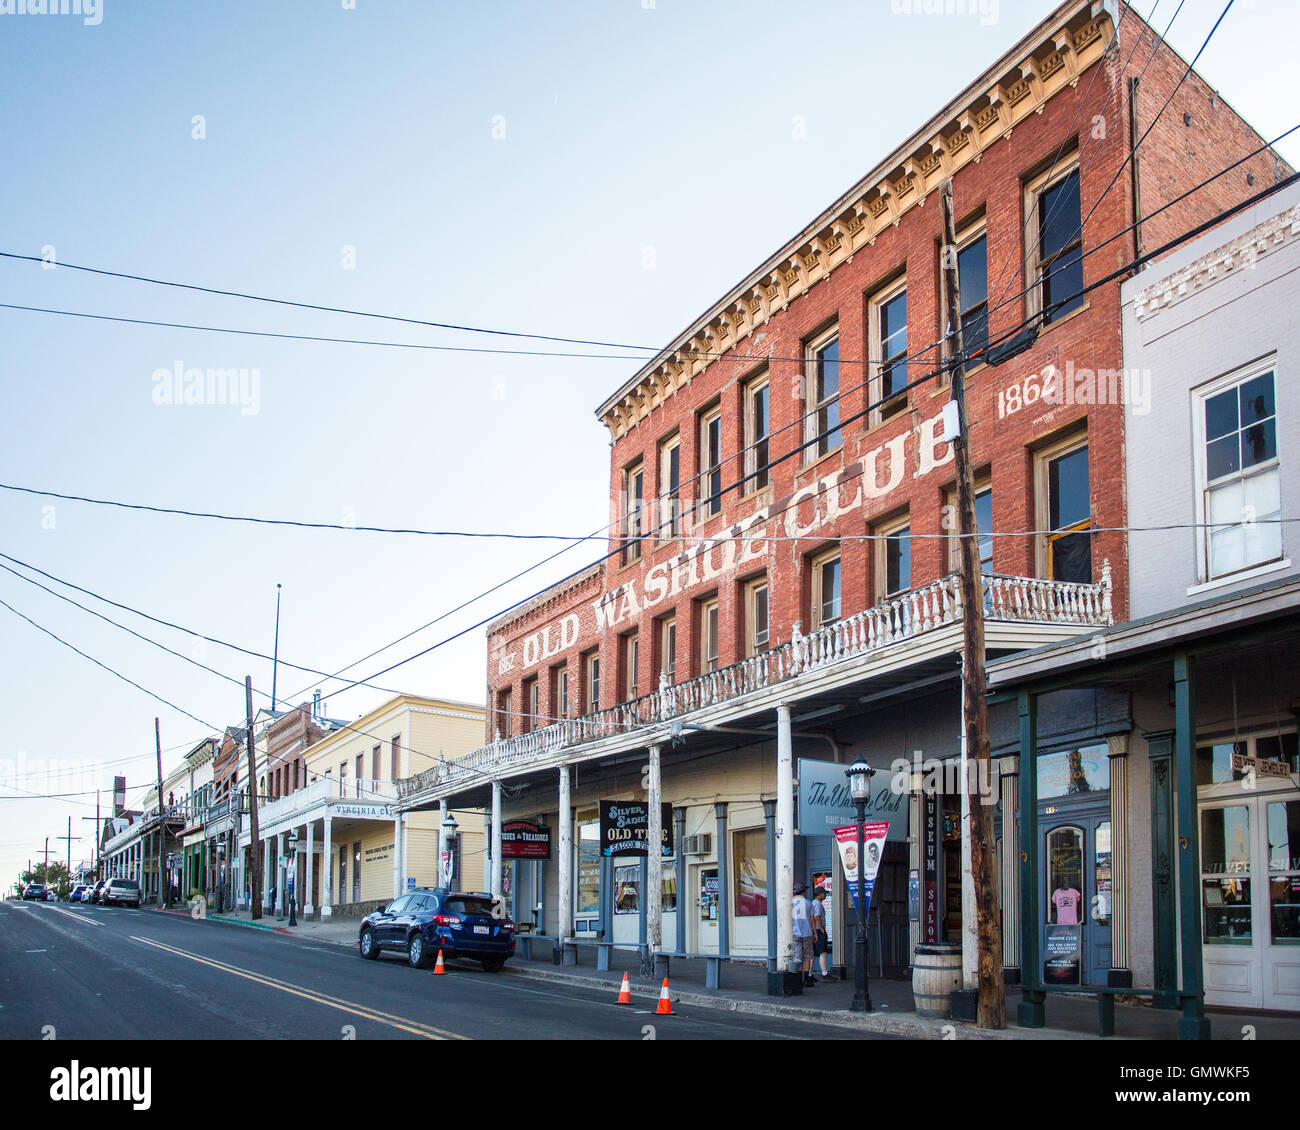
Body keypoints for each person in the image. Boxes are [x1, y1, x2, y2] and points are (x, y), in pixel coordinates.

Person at [792, 882, 816, 987]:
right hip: (807, 933)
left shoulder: (790, 902)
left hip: (794, 933)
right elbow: (812, 919)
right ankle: (806, 979)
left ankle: (797, 979)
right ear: (803, 892)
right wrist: (815, 932)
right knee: (807, 957)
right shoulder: (808, 903)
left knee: (797, 956)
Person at [810, 885, 835, 980]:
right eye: (824, 894)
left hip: (813, 930)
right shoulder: (818, 904)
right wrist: (822, 930)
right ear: (819, 894)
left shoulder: (813, 903)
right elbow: (817, 917)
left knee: (812, 954)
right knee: (823, 952)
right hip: (818, 931)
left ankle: (809, 974)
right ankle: (824, 973)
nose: (825, 896)